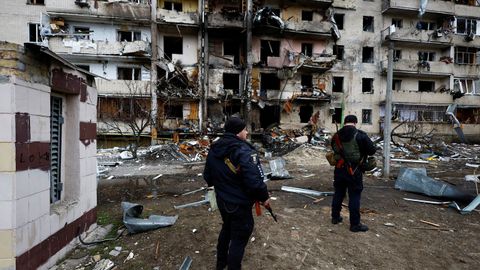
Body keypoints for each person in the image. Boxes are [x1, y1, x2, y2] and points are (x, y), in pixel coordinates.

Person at [204, 117, 270, 269]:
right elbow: (255, 182)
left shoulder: (215, 148)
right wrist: (264, 197)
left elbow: (208, 176)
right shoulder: (244, 150)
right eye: (245, 129)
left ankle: (221, 264)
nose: (247, 132)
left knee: (227, 229)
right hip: (239, 205)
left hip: (222, 201)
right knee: (239, 238)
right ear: (238, 132)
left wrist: (225, 186)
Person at [330, 115, 376, 232]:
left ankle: (335, 218)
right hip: (354, 170)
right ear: (355, 122)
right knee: (354, 196)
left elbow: (334, 149)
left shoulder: (336, 135)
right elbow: (372, 150)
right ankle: (355, 224)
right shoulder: (360, 135)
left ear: (344, 122)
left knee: (338, 193)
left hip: (339, 169)